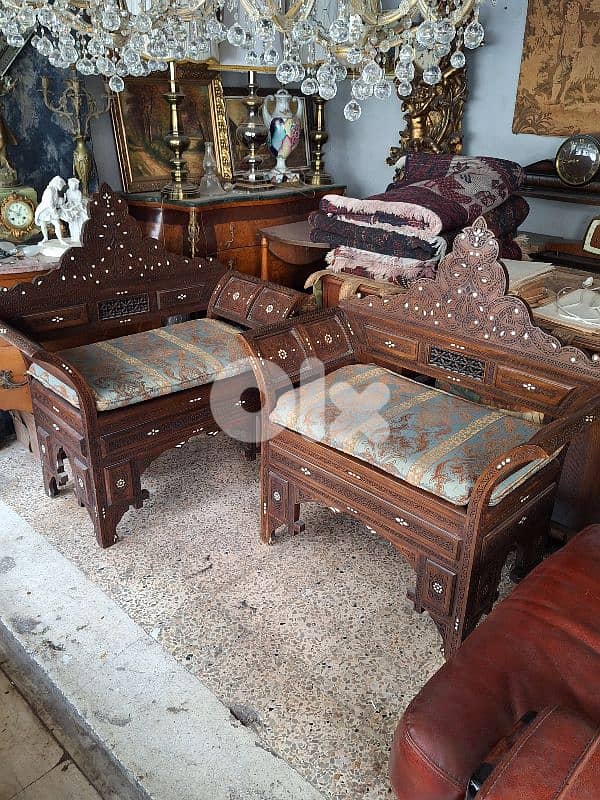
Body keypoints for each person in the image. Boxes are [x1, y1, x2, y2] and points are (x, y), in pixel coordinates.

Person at [550, 0, 583, 104]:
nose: (574, 16)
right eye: (571, 13)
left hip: (577, 57)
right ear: (566, 15)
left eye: (576, 13)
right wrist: (550, 23)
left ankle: (564, 97)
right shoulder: (564, 25)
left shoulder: (581, 25)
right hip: (565, 57)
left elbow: (587, 36)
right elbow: (554, 30)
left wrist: (583, 47)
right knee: (557, 76)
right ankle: (553, 98)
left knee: (574, 77)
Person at [34, 176, 67, 244]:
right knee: (43, 224)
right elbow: (50, 204)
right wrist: (55, 213)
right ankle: (45, 238)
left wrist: (61, 201)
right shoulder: (50, 190)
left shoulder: (54, 190)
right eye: (61, 185)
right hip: (44, 210)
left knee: (57, 224)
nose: (61, 187)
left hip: (50, 210)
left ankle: (61, 240)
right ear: (57, 183)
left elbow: (55, 201)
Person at [60, 177, 88, 242]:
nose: (73, 187)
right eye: (71, 185)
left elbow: (79, 202)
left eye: (74, 185)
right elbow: (69, 201)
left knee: (82, 217)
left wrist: (74, 207)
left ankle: (82, 235)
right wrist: (69, 206)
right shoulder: (68, 191)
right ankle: (75, 235)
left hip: (78, 206)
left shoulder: (78, 192)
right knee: (72, 220)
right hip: (71, 207)